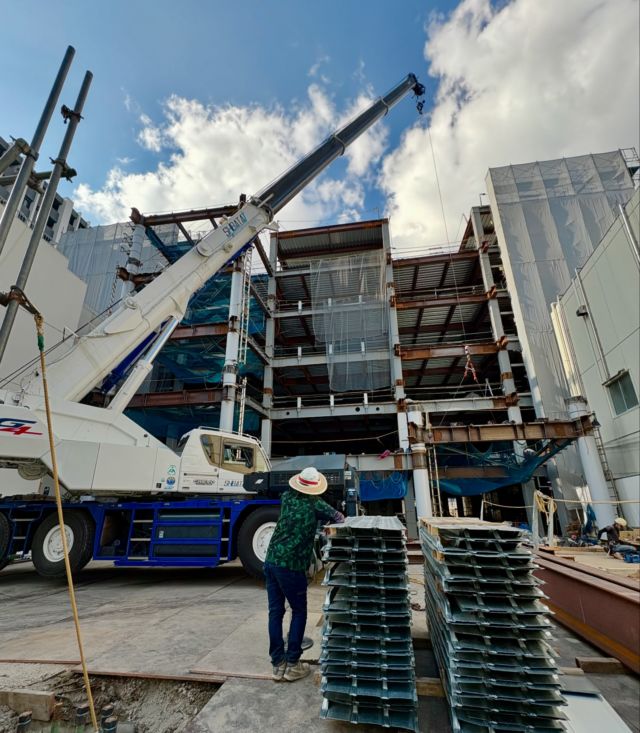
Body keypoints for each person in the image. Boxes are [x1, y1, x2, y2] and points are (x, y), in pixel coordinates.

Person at [263, 466, 345, 682]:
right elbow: (339, 517)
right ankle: (292, 664)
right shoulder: (315, 503)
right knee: (299, 611)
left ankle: (277, 665)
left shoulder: (287, 496)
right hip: (291, 566)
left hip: (271, 560)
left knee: (275, 612)